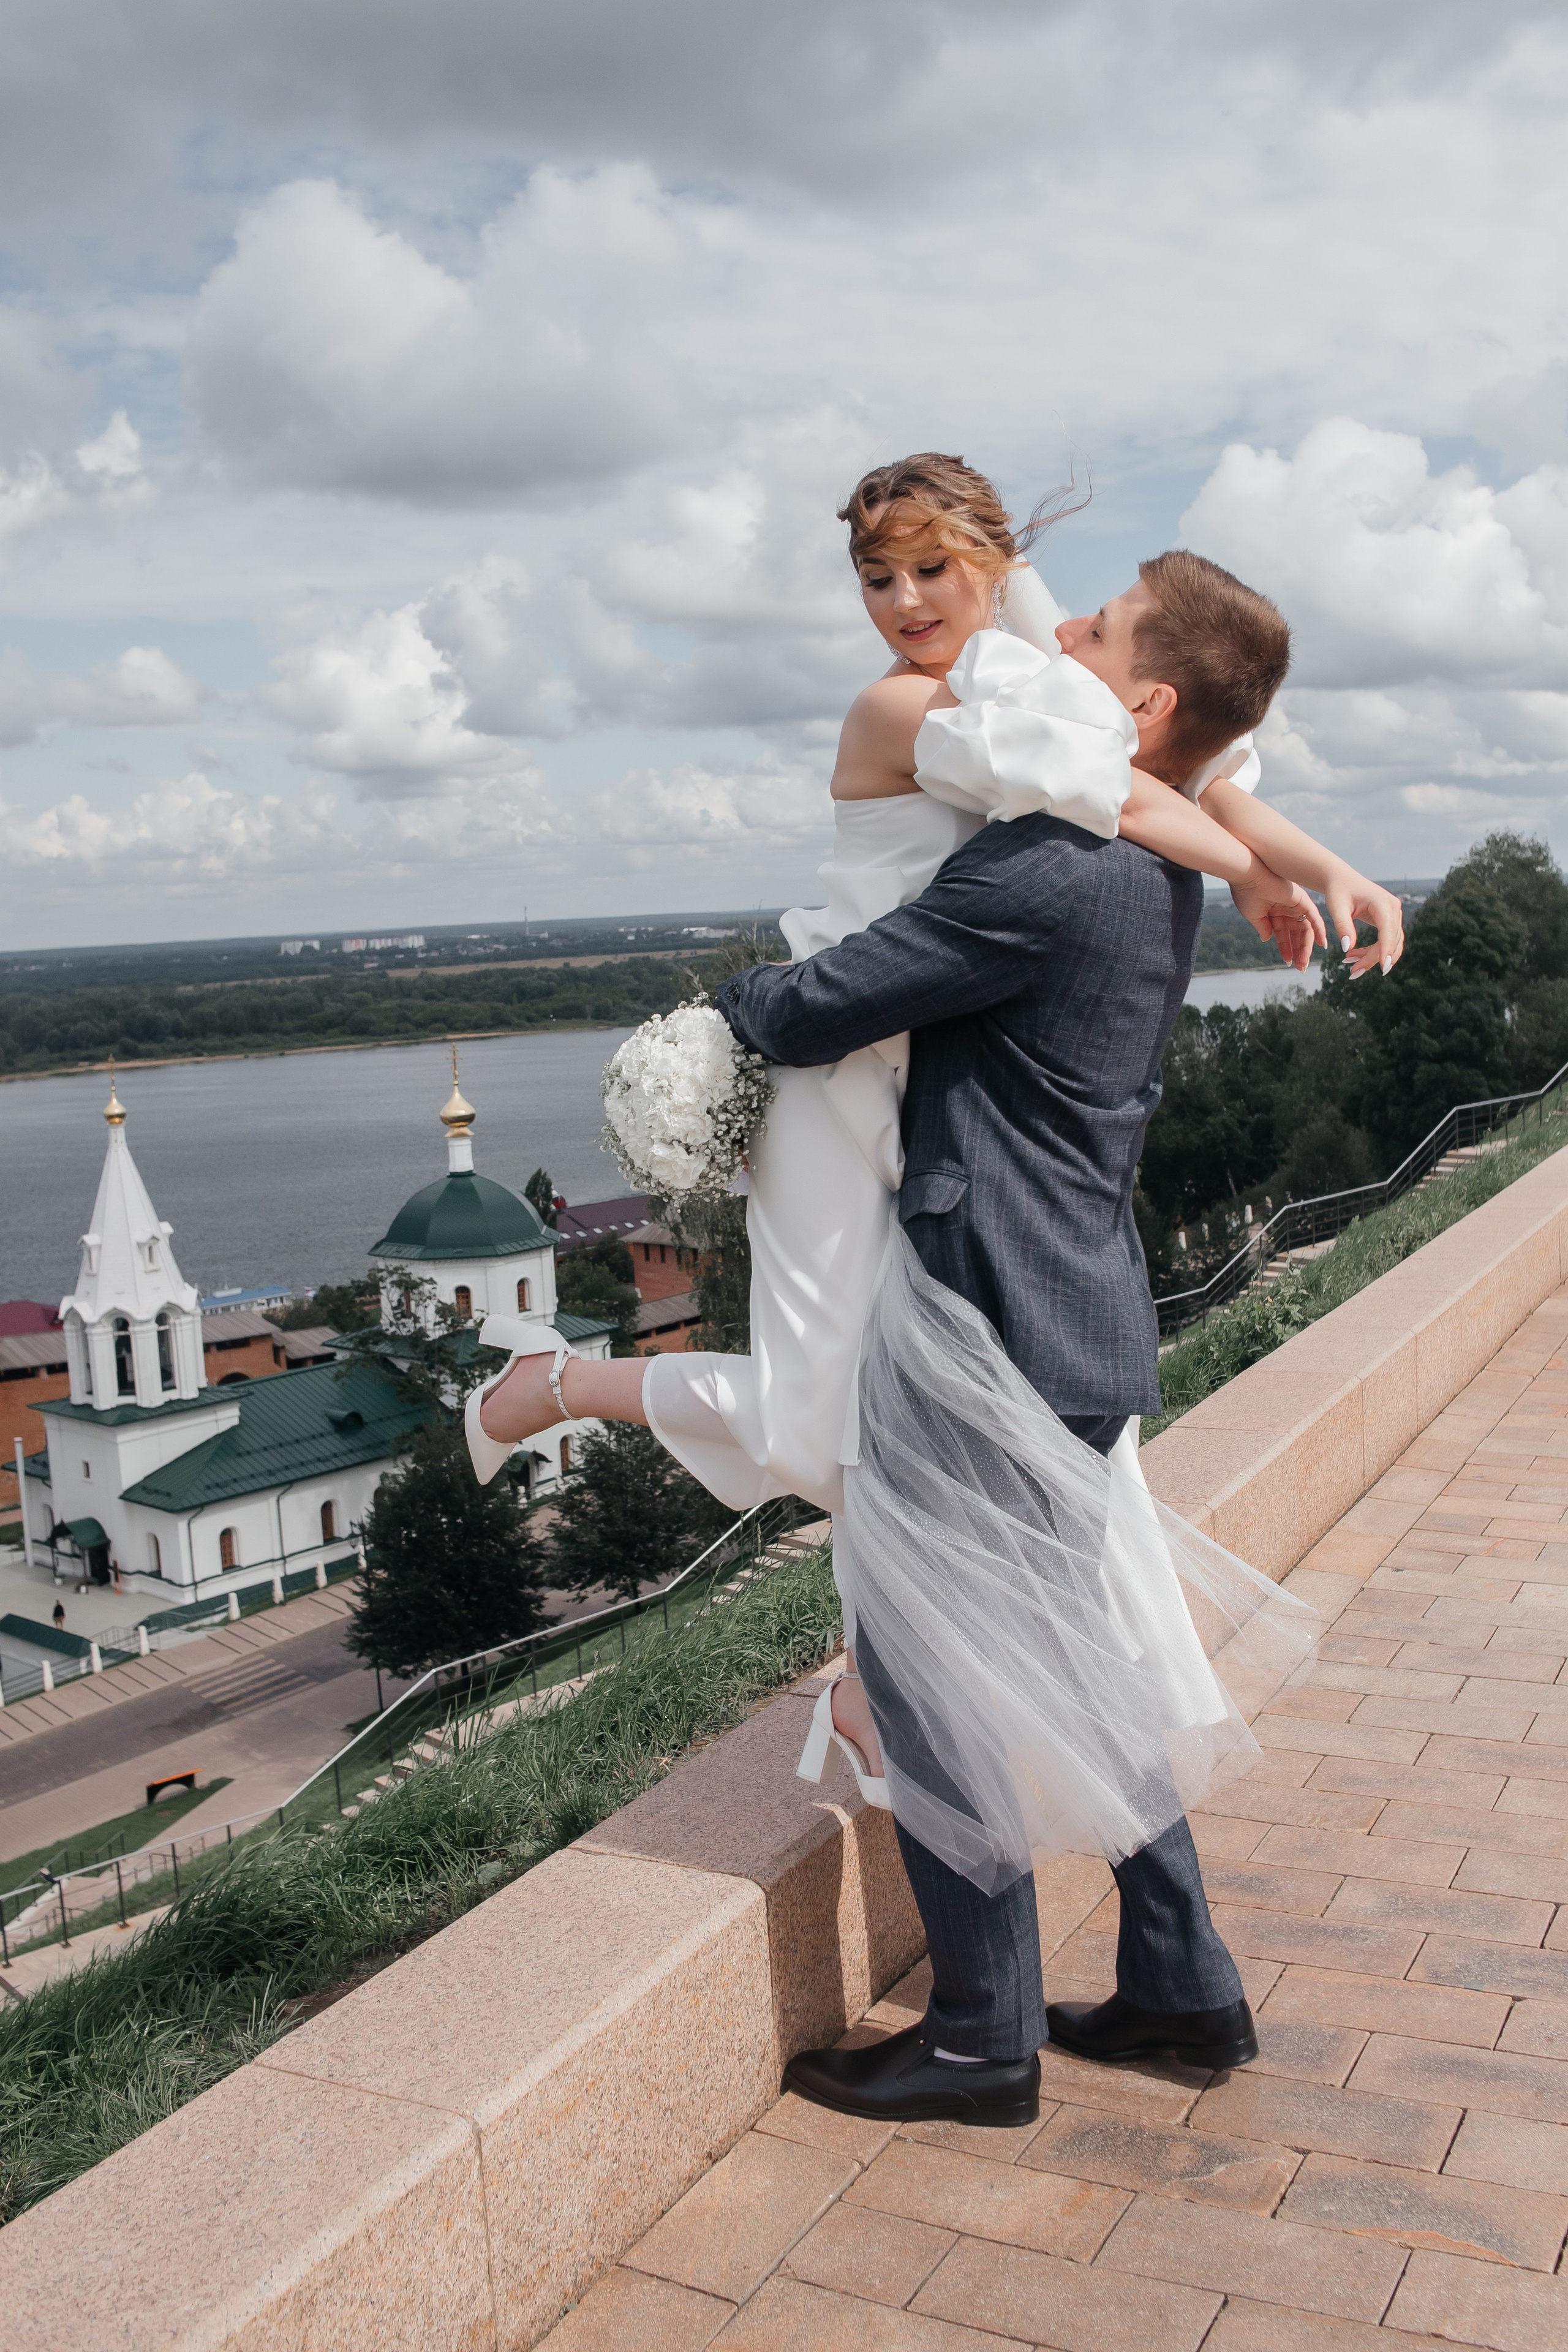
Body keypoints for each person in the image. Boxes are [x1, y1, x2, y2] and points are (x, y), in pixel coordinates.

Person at [468, 456, 1400, 2121]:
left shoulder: (1045, 870)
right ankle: (1184, 1988)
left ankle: (983, 2036)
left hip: (983, 1319)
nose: (1064, 634)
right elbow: (1182, 783)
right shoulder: (1154, 875)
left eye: (1095, 631)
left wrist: (716, 1026)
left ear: (1143, 694)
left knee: (930, 1667)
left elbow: (826, 1003)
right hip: (1083, 1313)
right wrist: (1282, 858)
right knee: (1088, 1657)